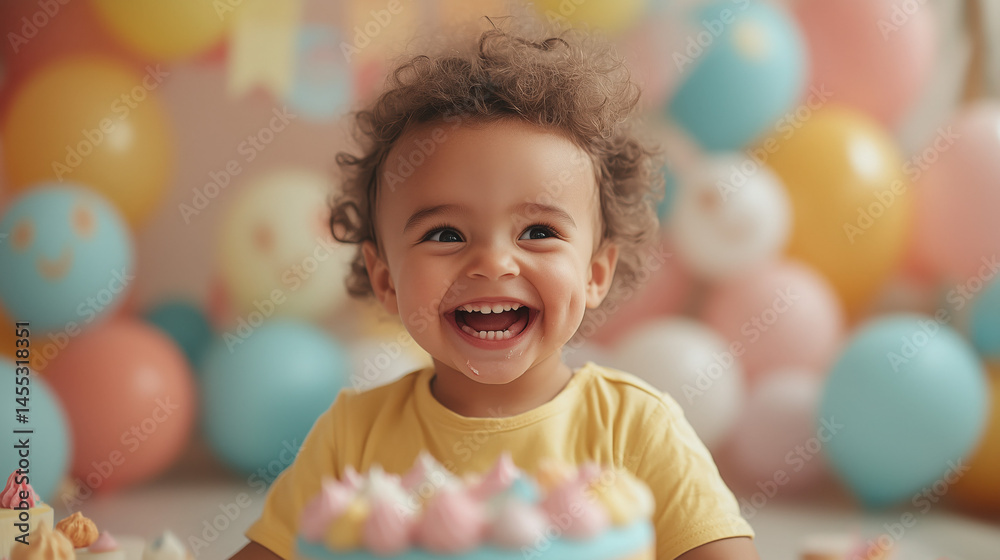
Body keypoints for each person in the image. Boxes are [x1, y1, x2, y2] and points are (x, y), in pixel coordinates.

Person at [230, 22, 759, 560]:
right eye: (445, 234)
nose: (493, 263)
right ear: (386, 278)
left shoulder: (636, 427)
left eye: (538, 231)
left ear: (595, 274)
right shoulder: (352, 438)